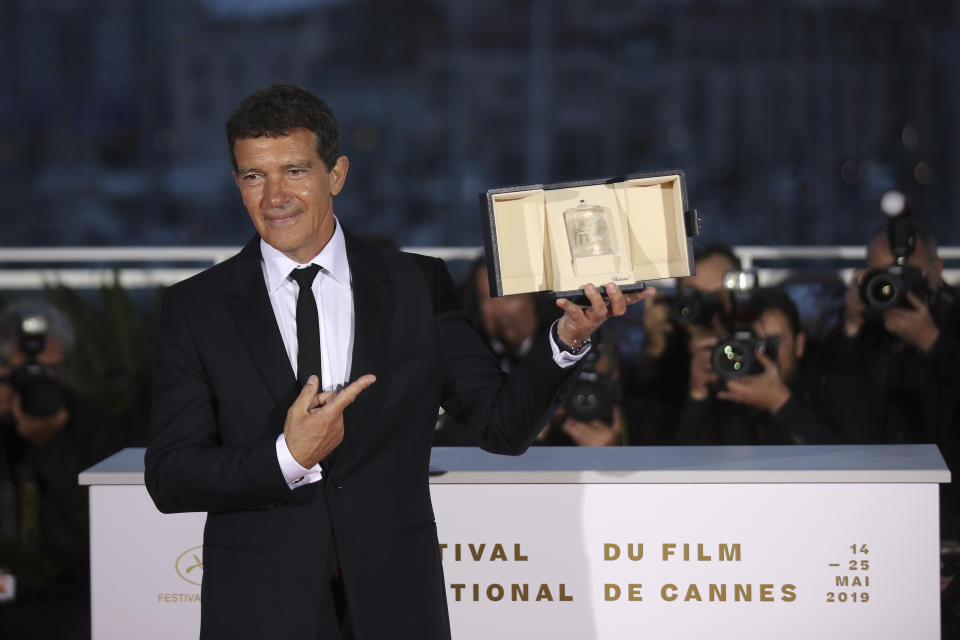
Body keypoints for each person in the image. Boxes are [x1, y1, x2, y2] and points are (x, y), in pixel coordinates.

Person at [143, 83, 650, 639]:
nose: (273, 197)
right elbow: (171, 477)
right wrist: (287, 458)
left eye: (293, 172)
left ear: (335, 175)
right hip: (259, 608)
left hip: (396, 605)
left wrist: (568, 338)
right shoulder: (197, 307)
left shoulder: (416, 285)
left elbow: (501, 426)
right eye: (253, 176)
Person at [0, 300, 125, 640]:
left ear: (66, 367)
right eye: (25, 373)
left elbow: (108, 527)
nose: (36, 383)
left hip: (69, 597)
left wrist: (52, 444)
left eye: (49, 371)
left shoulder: (95, 425)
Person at [675, 288, 842, 445]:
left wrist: (781, 404)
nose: (760, 355)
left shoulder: (829, 393)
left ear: (799, 344)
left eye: (772, 343)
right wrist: (697, 397)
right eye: (749, 344)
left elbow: (842, 465)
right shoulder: (721, 400)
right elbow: (683, 466)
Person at [622, 243, 740, 444]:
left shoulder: (760, 343)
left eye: (719, 297)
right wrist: (653, 351)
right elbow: (642, 437)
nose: (709, 309)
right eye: (695, 299)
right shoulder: (666, 360)